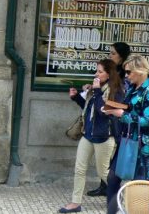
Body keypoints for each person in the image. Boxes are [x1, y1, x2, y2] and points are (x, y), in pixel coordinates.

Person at [58, 59, 124, 213]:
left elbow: (104, 112)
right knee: (79, 169)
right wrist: (77, 98)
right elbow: (89, 110)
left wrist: (98, 91)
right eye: (97, 71)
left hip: (104, 137)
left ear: (109, 74)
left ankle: (121, 196)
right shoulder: (96, 88)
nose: (96, 74)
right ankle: (75, 203)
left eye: (100, 71)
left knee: (103, 173)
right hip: (87, 135)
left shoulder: (117, 91)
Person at [103, 54, 149, 214]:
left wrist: (121, 114)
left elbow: (148, 121)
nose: (126, 76)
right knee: (113, 179)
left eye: (129, 72)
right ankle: (112, 212)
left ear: (140, 71)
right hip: (128, 140)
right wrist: (112, 108)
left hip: (144, 147)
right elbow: (129, 107)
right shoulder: (132, 87)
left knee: (139, 188)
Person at [86, 42, 131, 197]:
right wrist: (94, 89)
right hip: (109, 116)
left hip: (118, 118)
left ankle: (119, 191)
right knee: (105, 160)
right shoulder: (110, 70)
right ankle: (104, 187)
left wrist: (106, 104)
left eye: (113, 54)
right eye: (109, 53)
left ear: (121, 56)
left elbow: (120, 102)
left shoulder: (127, 73)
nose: (110, 56)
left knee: (110, 158)